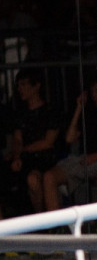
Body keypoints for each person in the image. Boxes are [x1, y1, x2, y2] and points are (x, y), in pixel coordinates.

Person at [41, 77, 97, 211]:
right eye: (93, 92)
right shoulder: (87, 113)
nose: (96, 95)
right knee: (49, 177)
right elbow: (70, 138)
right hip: (83, 160)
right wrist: (79, 108)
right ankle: (57, 226)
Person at [3, 68, 62, 215]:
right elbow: (17, 138)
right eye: (18, 86)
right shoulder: (20, 114)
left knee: (33, 179)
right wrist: (17, 156)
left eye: (24, 85)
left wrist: (22, 151)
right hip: (24, 158)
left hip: (44, 159)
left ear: (36, 86)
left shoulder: (50, 111)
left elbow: (47, 142)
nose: (20, 89)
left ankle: (39, 218)